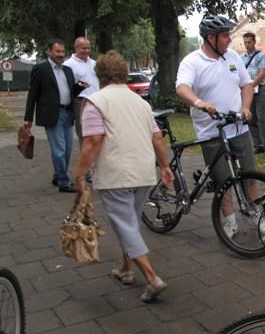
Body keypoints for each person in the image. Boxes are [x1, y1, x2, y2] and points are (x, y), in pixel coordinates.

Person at [73, 51, 173, 302]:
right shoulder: (141, 102)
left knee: (125, 225)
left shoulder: (95, 102)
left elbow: (93, 141)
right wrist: (164, 166)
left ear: (100, 75)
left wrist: (81, 173)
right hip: (142, 172)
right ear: (124, 73)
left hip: (116, 173)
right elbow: (157, 137)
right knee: (131, 223)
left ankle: (152, 277)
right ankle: (126, 270)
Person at [175, 15, 257, 239]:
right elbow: (182, 88)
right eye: (225, 35)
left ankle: (257, 216)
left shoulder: (232, 57)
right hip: (212, 133)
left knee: (251, 176)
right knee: (223, 182)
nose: (229, 40)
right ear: (210, 38)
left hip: (238, 128)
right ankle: (230, 223)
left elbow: (246, 85)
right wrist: (200, 103)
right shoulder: (192, 62)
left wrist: (246, 107)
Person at [24, 38, 84, 193]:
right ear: (49, 51)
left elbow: (70, 92)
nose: (60, 54)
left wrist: (79, 87)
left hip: (68, 113)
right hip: (52, 115)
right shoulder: (40, 69)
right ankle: (64, 182)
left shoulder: (67, 71)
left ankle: (58, 175)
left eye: (63, 52)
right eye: (57, 51)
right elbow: (33, 94)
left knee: (68, 149)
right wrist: (28, 117)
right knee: (59, 149)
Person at [241, 31, 265, 156]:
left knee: (261, 118)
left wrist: (251, 85)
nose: (247, 45)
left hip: (259, 90)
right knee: (251, 118)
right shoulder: (242, 58)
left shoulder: (261, 56)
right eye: (245, 42)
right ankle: (258, 145)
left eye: (249, 42)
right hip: (248, 92)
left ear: (254, 42)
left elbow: (262, 73)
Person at [64, 37, 100, 142]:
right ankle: (85, 154)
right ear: (76, 48)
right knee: (84, 132)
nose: (87, 51)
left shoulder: (94, 63)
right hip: (81, 101)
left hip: (97, 100)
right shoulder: (68, 65)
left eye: (88, 48)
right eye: (83, 48)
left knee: (98, 129)